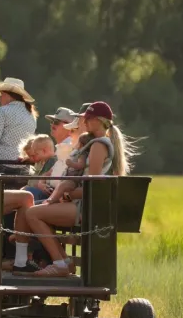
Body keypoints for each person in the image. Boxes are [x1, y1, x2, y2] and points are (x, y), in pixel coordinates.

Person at [13, 102, 135, 277]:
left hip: (83, 206)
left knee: (32, 213)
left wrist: (68, 195)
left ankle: (59, 263)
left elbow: (91, 185)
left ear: (98, 121)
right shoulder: (94, 143)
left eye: (88, 118)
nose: (84, 121)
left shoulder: (98, 145)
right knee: (30, 210)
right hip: (80, 202)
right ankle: (63, 262)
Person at [0, 77, 37, 179]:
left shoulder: (2, 111)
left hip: (2, 165)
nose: (0, 98)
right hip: (23, 166)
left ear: (8, 95)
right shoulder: (31, 115)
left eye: (1, 94)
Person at [18, 135, 56, 203]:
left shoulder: (50, 161)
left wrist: (27, 187)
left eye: (34, 154)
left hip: (45, 192)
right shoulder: (41, 161)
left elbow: (40, 181)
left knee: (26, 192)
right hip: (39, 190)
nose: (32, 159)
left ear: (44, 151)